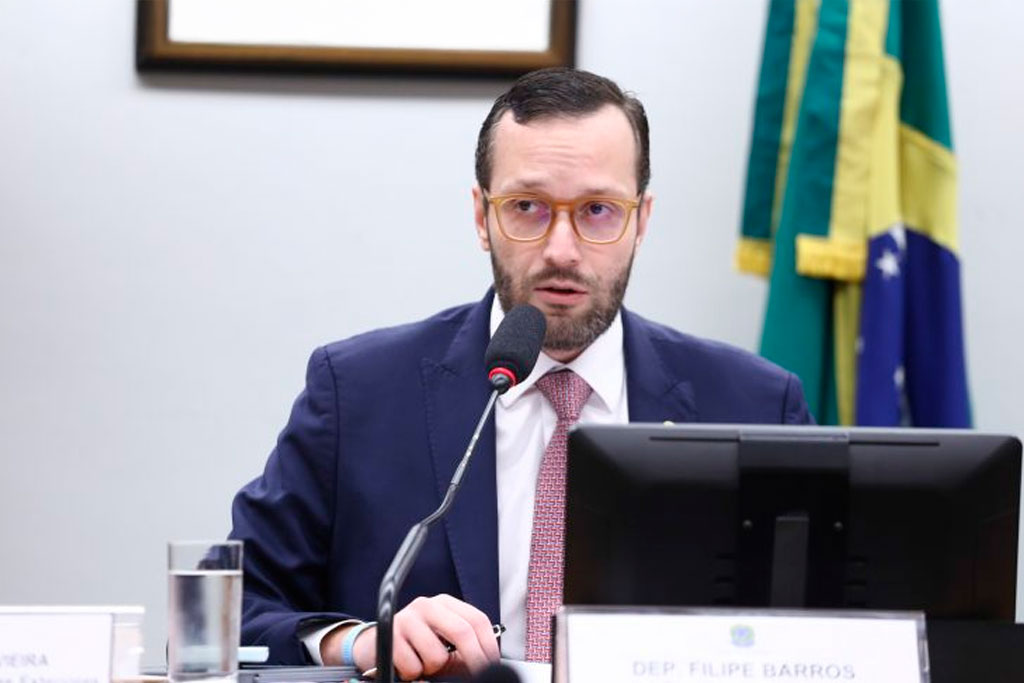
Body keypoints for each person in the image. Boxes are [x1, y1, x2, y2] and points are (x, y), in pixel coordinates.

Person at [230, 67, 812, 678]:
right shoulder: (359, 392)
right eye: (527, 207)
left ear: (641, 221)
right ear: (482, 216)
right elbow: (233, 604)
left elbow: (836, 636)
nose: (562, 248)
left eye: (598, 210)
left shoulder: (754, 404)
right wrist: (355, 641)